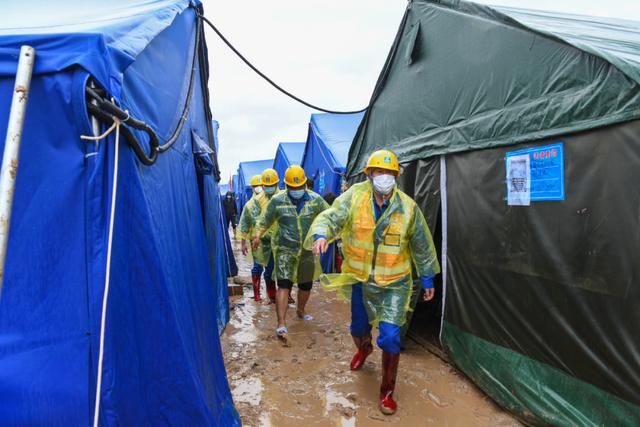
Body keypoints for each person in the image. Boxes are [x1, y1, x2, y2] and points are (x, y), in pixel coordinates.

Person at [306, 149, 440, 415]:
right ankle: (364, 348)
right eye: (379, 172)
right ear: (369, 174)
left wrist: (427, 278)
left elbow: (422, 245)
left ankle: (387, 391)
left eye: (390, 173)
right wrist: (322, 233)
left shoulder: (408, 207)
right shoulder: (355, 197)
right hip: (362, 279)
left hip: (395, 282)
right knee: (357, 328)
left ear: (396, 177)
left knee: (390, 338)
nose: (384, 177)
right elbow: (333, 216)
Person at [253, 165, 329, 344]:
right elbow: (265, 221)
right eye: (292, 188)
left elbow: (328, 217)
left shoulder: (316, 200)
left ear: (304, 184)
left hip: (306, 250)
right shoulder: (277, 201)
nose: (296, 190)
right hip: (284, 250)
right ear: (286, 186)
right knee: (284, 285)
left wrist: (323, 236)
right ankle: (281, 322)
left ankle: (301, 311)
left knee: (305, 285)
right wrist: (258, 236)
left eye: (299, 187)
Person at [237, 175, 268, 301]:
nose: (259, 188)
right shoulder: (249, 205)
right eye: (256, 186)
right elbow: (244, 225)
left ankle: (271, 295)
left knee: (272, 267)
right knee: (258, 266)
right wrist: (243, 243)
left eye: (260, 186)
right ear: (252, 188)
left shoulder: (270, 202)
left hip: (271, 240)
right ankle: (257, 294)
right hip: (256, 240)